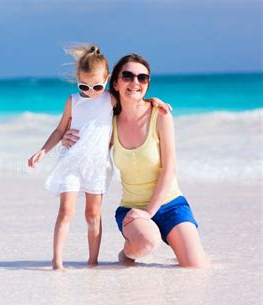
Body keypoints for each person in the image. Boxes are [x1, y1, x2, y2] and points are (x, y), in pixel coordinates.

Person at [28, 45, 170, 270]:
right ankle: (57, 262)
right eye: (84, 86)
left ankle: (92, 262)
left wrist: (154, 101)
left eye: (96, 86)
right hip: (71, 163)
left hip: (97, 167)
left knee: (93, 214)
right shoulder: (73, 101)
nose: (91, 91)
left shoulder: (110, 100)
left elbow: (134, 100)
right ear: (78, 81)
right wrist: (43, 150)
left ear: (107, 80)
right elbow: (59, 129)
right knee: (66, 211)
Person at [62, 54, 210, 268]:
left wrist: (149, 212)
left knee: (197, 266)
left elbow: (170, 169)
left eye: (143, 78)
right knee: (147, 242)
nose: (135, 82)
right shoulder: (108, 121)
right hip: (132, 208)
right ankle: (127, 254)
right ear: (115, 82)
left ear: (148, 83)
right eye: (128, 76)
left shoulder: (160, 114)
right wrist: (68, 138)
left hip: (171, 204)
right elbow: (86, 146)